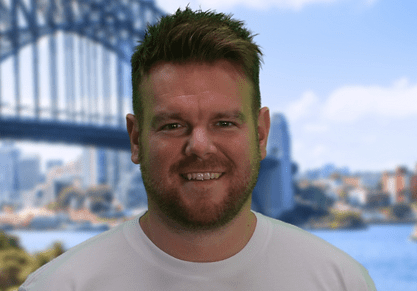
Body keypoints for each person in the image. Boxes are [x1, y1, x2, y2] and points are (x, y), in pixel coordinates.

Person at [19, 7, 377, 291]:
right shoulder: (59, 286)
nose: (200, 147)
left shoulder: (341, 282)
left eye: (224, 123)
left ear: (261, 134)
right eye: (173, 125)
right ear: (136, 138)